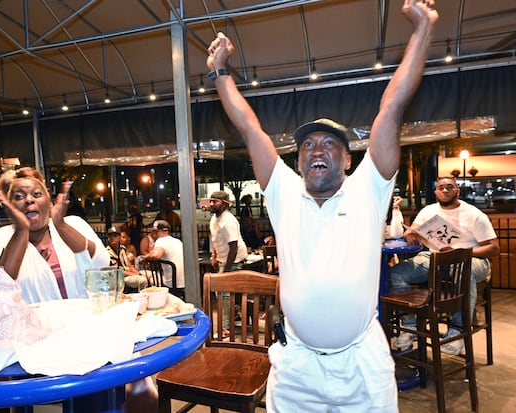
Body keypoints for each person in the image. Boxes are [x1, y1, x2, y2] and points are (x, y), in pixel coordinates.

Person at [205, 0, 438, 410]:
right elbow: (248, 125)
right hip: (296, 366)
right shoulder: (283, 192)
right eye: (308, 145)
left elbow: (392, 106)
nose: (318, 149)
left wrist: (421, 30)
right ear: (298, 163)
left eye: (331, 144)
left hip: (361, 363)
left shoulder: (369, 187)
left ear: (348, 160)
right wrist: (220, 71)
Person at [390, 176, 499, 354]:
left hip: (473, 259)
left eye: (450, 187)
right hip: (435, 257)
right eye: (441, 187)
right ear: (436, 192)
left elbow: (494, 248)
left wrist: (461, 253)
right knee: (397, 273)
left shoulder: (474, 214)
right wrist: (409, 232)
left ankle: (458, 330)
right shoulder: (429, 211)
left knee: (464, 269)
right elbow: (413, 228)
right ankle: (410, 327)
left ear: (457, 190)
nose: (445, 190)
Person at [0, 168, 109, 304]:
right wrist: (21, 231)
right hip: (29, 324)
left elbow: (101, 263)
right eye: (19, 197)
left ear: (49, 202)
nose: (29, 200)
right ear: (9, 206)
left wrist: (61, 226)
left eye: (37, 194)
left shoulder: (74, 224)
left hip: (82, 321)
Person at [209, 190, 248, 335]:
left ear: (225, 204)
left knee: (224, 294)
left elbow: (234, 247)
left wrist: (226, 270)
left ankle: (225, 329)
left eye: (215, 202)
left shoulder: (228, 221)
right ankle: (236, 316)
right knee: (226, 293)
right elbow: (214, 238)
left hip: (234, 259)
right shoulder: (214, 218)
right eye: (211, 201)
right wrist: (214, 255)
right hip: (222, 258)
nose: (212, 204)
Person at [143, 220, 185, 292]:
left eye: (153, 232)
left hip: (172, 283)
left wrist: (145, 257)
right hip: (185, 282)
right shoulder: (178, 241)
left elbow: (156, 255)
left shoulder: (161, 241)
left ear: (157, 232)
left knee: (150, 280)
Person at [105, 226, 149, 291]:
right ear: (108, 238)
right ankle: (143, 296)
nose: (113, 238)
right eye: (110, 236)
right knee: (142, 280)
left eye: (115, 236)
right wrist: (137, 275)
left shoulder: (122, 248)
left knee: (149, 274)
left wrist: (138, 273)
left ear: (119, 237)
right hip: (119, 277)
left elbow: (129, 265)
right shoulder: (107, 252)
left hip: (127, 273)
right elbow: (119, 271)